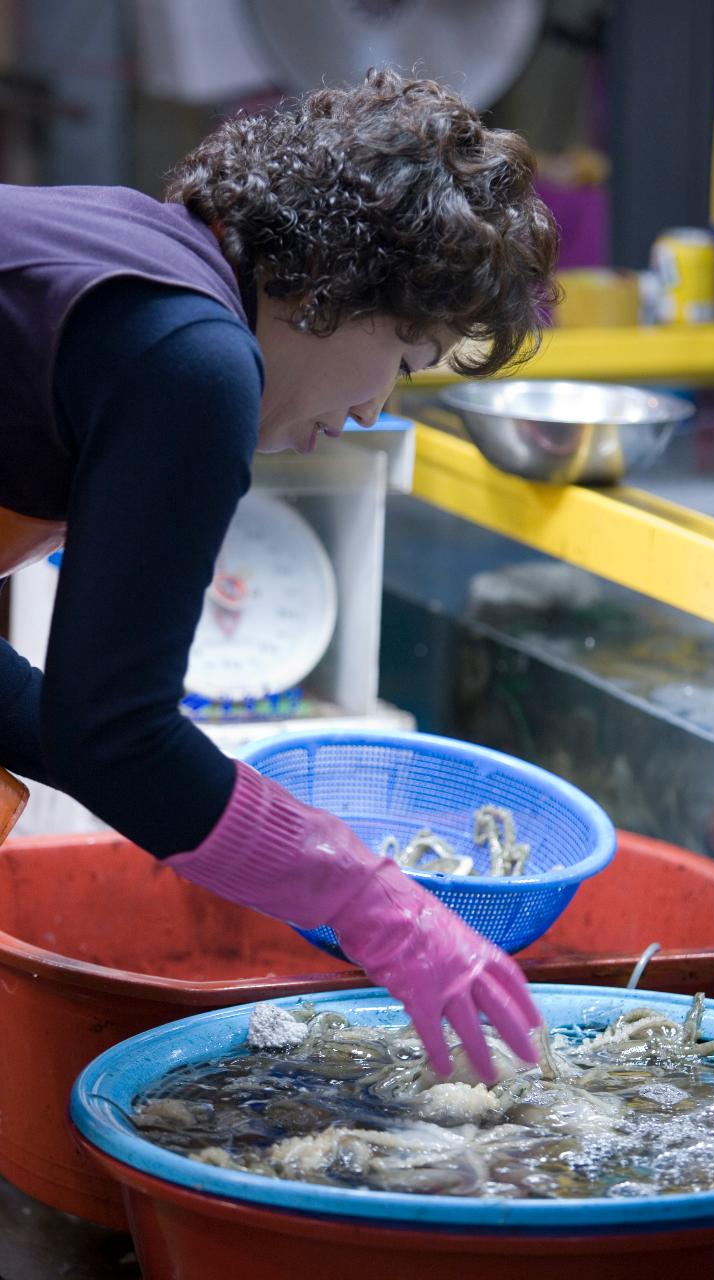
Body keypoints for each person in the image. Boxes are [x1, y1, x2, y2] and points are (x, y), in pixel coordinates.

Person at [0, 68, 558, 1082]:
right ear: (339, 288)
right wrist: (360, 894)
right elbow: (114, 734)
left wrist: (222, 802)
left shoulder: (129, 255)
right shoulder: (193, 359)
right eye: (407, 352)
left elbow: (95, 726)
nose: (370, 409)